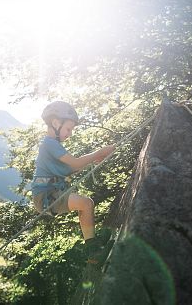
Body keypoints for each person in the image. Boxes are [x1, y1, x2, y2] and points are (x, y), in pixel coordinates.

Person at [31, 100, 115, 264]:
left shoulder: (51, 145)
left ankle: (93, 246)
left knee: (86, 204)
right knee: (86, 204)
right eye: (68, 129)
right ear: (56, 123)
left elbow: (71, 168)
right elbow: (75, 163)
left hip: (48, 194)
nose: (70, 134)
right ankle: (93, 252)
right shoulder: (50, 143)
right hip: (46, 196)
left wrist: (93, 159)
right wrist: (100, 152)